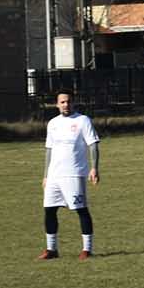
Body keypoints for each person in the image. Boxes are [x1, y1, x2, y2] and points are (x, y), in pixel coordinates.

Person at [38, 90, 99, 260]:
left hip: (74, 174)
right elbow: (49, 149)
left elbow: (93, 145)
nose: (66, 105)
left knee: (81, 210)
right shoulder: (52, 123)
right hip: (54, 175)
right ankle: (51, 249)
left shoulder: (83, 120)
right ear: (57, 104)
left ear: (74, 102)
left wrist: (94, 168)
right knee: (49, 210)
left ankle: (87, 249)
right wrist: (45, 175)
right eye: (62, 102)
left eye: (69, 101)